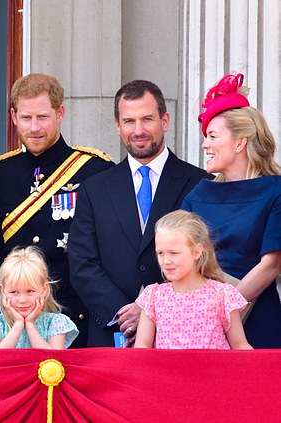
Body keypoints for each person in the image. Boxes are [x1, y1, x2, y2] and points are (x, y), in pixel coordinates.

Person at [68, 80, 209, 347]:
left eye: (147, 119)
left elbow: (206, 259)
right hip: (112, 333)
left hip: (182, 333)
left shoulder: (199, 183)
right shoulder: (94, 189)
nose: (139, 130)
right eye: (129, 121)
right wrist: (124, 311)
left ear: (164, 121)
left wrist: (151, 310)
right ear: (117, 125)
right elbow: (82, 264)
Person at [0, 73, 114, 348]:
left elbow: (104, 249)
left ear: (60, 113)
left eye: (43, 117)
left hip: (71, 313)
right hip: (12, 316)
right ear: (14, 117)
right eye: (26, 118)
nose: (34, 127)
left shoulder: (94, 170)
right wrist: (22, 296)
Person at [181, 72, 281, 348]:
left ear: (240, 142)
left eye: (212, 136)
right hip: (201, 321)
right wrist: (209, 315)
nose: (204, 144)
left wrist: (225, 313)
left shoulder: (276, 190)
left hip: (258, 320)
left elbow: (271, 264)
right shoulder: (197, 195)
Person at [134, 210, 252, 349]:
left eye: (173, 253)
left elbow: (240, 345)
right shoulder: (153, 296)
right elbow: (142, 347)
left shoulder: (222, 295)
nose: (166, 261)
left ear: (197, 252)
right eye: (160, 253)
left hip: (213, 371)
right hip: (167, 371)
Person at [0, 246, 78, 349]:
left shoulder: (55, 323)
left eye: (30, 291)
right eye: (14, 292)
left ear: (44, 290)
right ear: (2, 291)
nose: (22, 300)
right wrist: (18, 325)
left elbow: (54, 358)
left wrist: (30, 325)